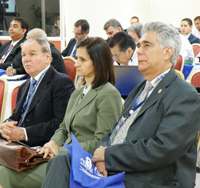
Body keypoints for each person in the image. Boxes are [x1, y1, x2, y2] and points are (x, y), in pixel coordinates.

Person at [42, 22, 200, 188]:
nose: (138, 51)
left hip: (149, 177)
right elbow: (113, 130)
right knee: (61, 161)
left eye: (147, 45)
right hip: (117, 165)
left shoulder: (184, 95)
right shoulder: (141, 88)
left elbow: (162, 149)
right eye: (139, 45)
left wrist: (109, 157)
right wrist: (101, 154)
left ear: (167, 52)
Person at [0, 37, 123, 188]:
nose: (76, 63)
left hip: (80, 162)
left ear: (98, 62)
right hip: (61, 155)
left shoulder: (108, 94)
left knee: (2, 173)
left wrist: (60, 148)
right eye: (77, 58)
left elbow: (102, 141)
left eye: (82, 60)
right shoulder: (78, 93)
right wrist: (52, 143)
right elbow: (63, 127)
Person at [0, 38, 75, 188]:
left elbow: (61, 124)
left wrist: (24, 133)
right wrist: (6, 125)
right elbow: (15, 117)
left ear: (48, 57)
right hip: (15, 144)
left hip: (37, 148)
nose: (26, 59)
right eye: (23, 55)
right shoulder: (25, 85)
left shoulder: (61, 82)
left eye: (32, 54)